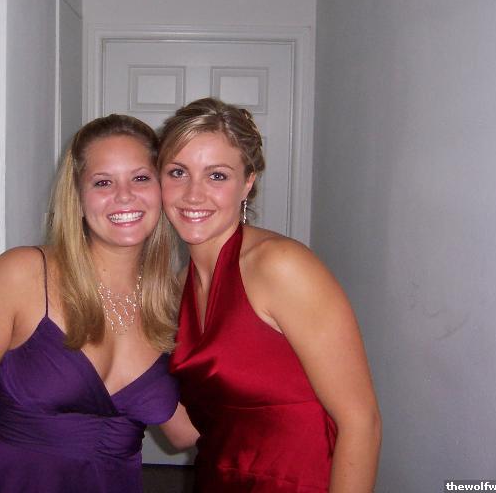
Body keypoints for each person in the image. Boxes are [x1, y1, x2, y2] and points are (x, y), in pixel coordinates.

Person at [0, 114, 185, 493]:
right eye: (103, 182)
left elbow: (183, 432)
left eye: (140, 178)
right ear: (77, 198)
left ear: (162, 190)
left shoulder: (171, 304)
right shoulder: (22, 275)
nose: (124, 195)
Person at [157, 98, 381, 492]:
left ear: (247, 183)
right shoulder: (178, 289)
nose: (193, 194)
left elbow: (361, 423)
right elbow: (185, 433)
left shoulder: (280, 267)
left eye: (217, 176)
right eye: (178, 172)